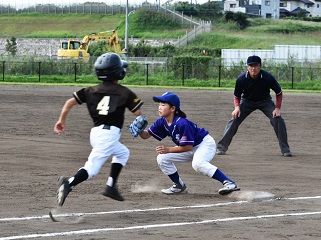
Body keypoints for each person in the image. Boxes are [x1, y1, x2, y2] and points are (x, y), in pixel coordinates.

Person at [54, 52, 144, 206]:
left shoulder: (90, 90)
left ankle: (111, 186)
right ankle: (68, 183)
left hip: (96, 133)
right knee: (92, 168)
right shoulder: (124, 92)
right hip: (108, 136)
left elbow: (69, 102)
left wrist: (61, 120)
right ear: (118, 73)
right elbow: (137, 112)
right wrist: (140, 119)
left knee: (123, 153)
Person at [138, 92, 240, 195]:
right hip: (189, 147)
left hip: (204, 144)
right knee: (162, 158)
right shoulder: (161, 122)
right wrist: (140, 130)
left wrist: (168, 149)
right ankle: (178, 186)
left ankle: (229, 183)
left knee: (198, 164)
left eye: (163, 105)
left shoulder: (182, 123)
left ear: (173, 108)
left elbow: (187, 147)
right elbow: (146, 136)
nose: (159, 107)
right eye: (159, 104)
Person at [216, 55, 292, 157]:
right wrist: (237, 107)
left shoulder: (267, 77)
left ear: (260, 66)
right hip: (247, 102)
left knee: (278, 119)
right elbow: (236, 95)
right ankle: (221, 147)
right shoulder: (241, 79)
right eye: (251, 66)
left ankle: (285, 149)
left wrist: (277, 108)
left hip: (265, 101)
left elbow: (279, 92)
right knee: (234, 118)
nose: (253, 68)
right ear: (247, 67)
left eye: (256, 66)